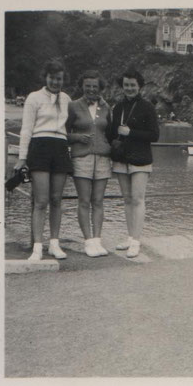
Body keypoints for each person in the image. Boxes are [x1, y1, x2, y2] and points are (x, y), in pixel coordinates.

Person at [14, 59, 72, 260]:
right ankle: (37, 247)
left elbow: (71, 126)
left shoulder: (67, 99)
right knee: (41, 200)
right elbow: (26, 129)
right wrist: (22, 158)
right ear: (45, 77)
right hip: (40, 146)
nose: (55, 82)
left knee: (56, 199)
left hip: (60, 147)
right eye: (52, 78)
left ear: (63, 80)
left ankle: (54, 244)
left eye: (59, 79)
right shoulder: (34, 97)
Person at [108, 69, 159, 258]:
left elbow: (155, 135)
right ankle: (130, 238)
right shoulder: (118, 107)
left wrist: (131, 133)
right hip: (121, 158)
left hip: (140, 159)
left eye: (133, 85)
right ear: (123, 86)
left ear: (139, 86)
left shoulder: (147, 107)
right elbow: (113, 132)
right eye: (126, 85)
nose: (129, 88)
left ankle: (136, 242)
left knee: (138, 199)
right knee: (127, 199)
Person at [66, 70, 112, 257]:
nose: (91, 89)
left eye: (95, 86)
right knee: (84, 201)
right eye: (88, 86)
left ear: (100, 88)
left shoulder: (107, 107)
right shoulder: (73, 106)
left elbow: (110, 132)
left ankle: (97, 240)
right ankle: (87, 242)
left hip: (102, 158)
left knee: (98, 201)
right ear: (82, 87)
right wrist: (78, 137)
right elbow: (64, 133)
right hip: (81, 157)